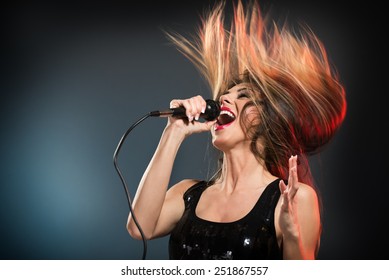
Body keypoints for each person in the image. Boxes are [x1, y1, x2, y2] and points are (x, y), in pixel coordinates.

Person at [127, 0, 346, 260]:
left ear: (269, 121)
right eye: (225, 95)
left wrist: (293, 235)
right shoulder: (188, 193)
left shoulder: (291, 199)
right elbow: (139, 227)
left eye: (244, 96)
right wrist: (173, 132)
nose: (224, 100)